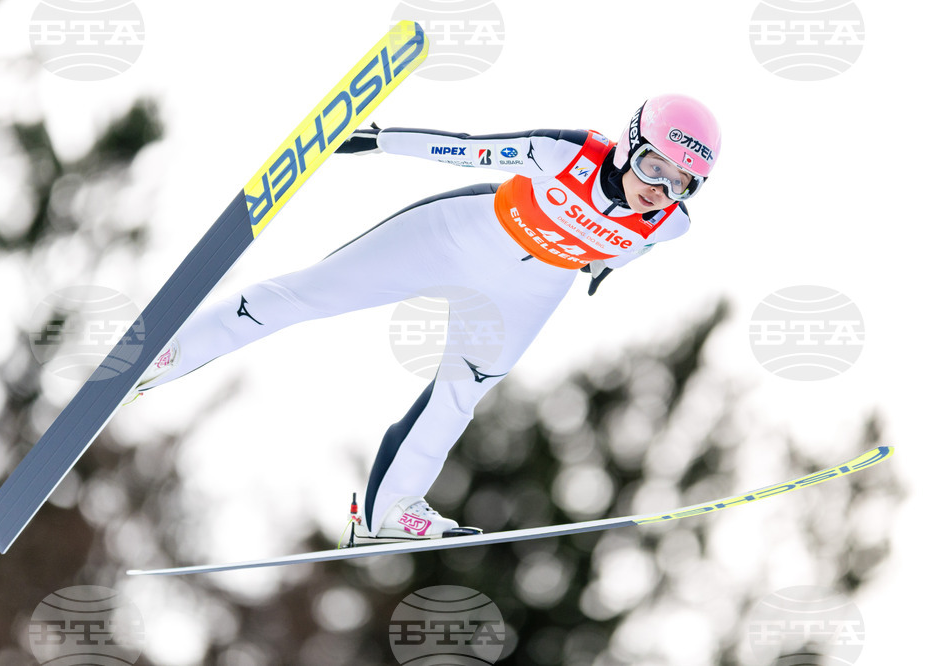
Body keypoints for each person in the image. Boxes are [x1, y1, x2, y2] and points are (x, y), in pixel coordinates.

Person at [128, 93, 722, 543]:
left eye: (679, 183)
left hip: (528, 292)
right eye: (651, 166)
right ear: (626, 144)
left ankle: (388, 510)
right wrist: (382, 140)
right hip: (457, 235)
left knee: (460, 395)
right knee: (310, 295)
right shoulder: (566, 153)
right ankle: (166, 355)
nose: (658, 190)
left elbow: (629, 248)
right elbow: (464, 147)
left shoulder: (670, 224)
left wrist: (601, 271)